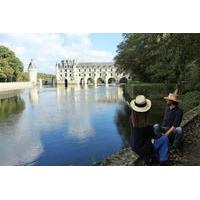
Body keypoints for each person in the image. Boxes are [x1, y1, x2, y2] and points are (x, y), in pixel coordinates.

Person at [129, 95, 169, 165]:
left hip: (134, 145)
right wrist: (158, 136)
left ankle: (156, 157)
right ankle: (163, 161)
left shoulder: (132, 118)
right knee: (165, 138)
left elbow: (142, 133)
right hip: (143, 148)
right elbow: (150, 134)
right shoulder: (143, 121)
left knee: (159, 141)